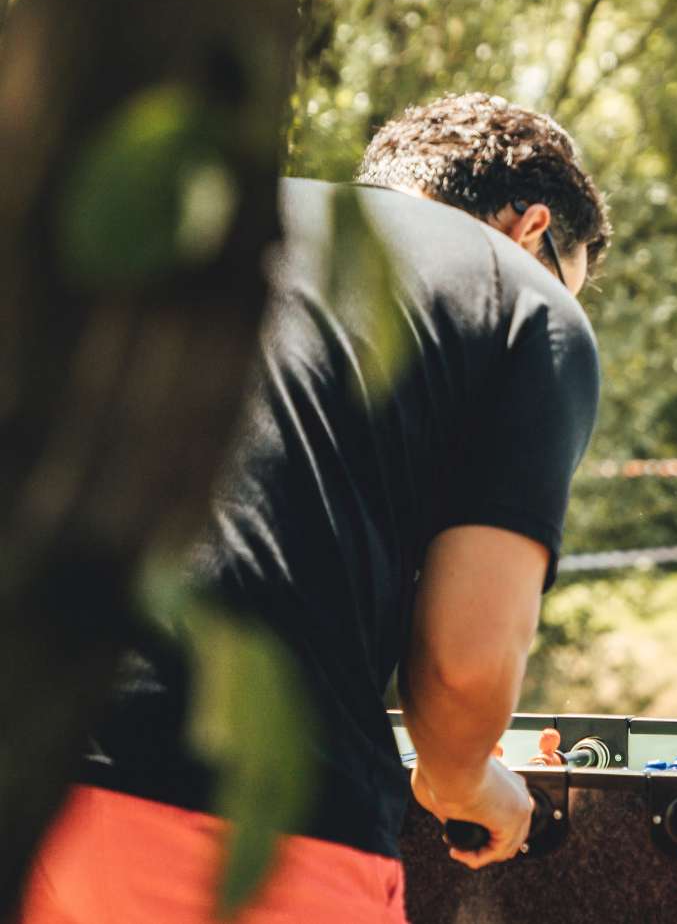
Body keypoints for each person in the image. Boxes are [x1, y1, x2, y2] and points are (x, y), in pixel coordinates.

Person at [24, 93, 611, 924]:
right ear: (530, 229)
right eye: (570, 281)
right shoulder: (520, 297)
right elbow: (460, 669)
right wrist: (471, 785)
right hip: (229, 809)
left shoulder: (224, 226)